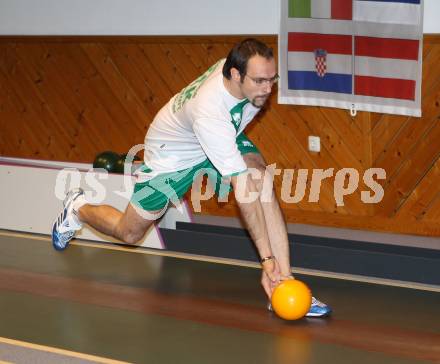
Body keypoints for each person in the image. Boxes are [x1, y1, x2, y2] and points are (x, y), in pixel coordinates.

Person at [52, 38, 331, 317]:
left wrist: (274, 263)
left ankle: (284, 282)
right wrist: (266, 258)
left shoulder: (237, 73)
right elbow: (244, 194)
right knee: (130, 232)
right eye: (260, 81)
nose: (268, 89)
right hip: (172, 156)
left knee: (261, 178)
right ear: (236, 75)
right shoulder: (211, 113)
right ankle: (77, 208)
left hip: (213, 136)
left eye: (272, 79)